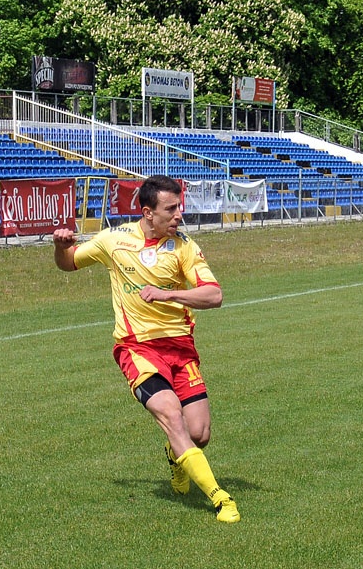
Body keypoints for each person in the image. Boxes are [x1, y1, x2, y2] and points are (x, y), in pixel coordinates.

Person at [53, 175, 241, 523]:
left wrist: (168, 293)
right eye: (171, 209)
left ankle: (176, 456)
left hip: (181, 348)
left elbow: (214, 295)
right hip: (136, 347)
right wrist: (60, 246)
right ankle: (221, 499)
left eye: (179, 207)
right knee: (172, 417)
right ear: (147, 212)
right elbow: (69, 262)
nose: (179, 215)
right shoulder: (114, 240)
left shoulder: (184, 246)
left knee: (198, 433)